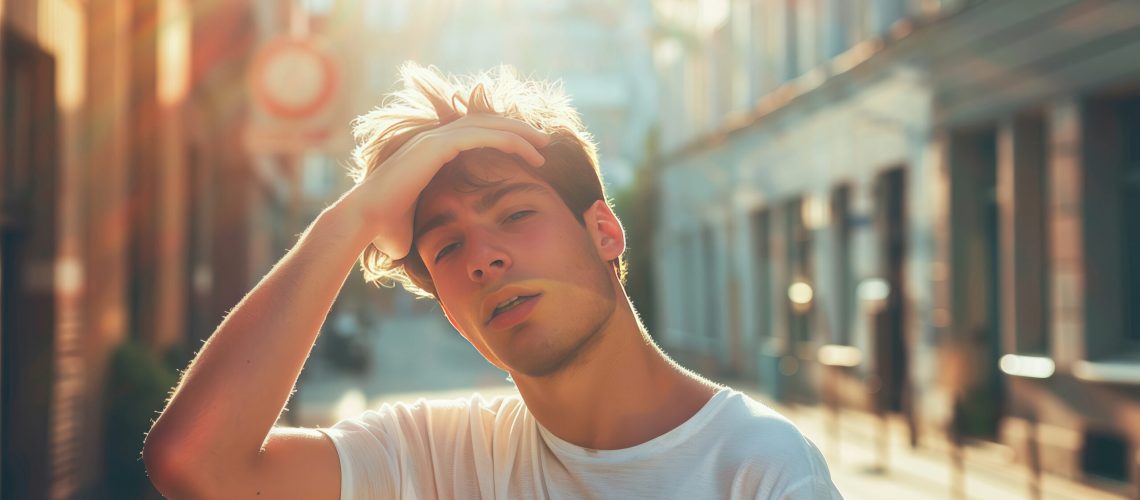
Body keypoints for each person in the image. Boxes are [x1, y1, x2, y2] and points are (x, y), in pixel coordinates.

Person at [143, 63, 842, 499]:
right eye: (447, 247)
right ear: (450, 310)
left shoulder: (760, 469)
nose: (483, 258)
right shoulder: (434, 457)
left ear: (604, 233)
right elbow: (197, 464)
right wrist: (354, 217)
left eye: (514, 213)